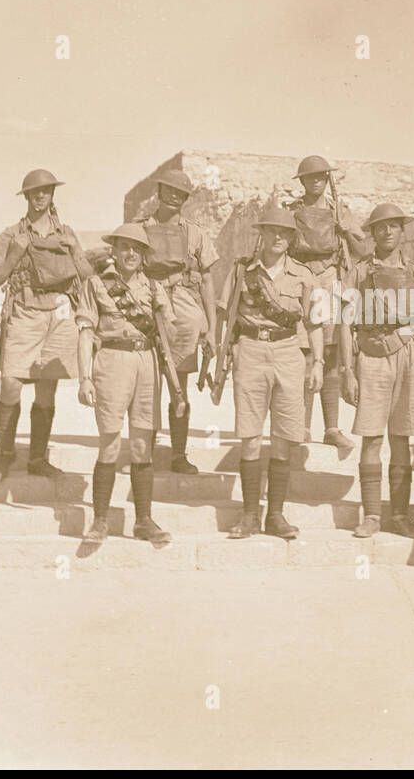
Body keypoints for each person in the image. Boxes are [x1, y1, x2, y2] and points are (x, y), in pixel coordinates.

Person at [339, 203, 414, 539]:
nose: (387, 232)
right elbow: (344, 324)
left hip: (407, 354)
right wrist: (347, 369)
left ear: (402, 231)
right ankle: (372, 515)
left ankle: (400, 515)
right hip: (371, 356)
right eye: (380, 227)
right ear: (372, 233)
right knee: (372, 436)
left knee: (401, 437)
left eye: (393, 226)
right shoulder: (358, 272)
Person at [217, 207, 324, 540]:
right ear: (261, 233)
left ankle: (275, 515)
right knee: (250, 436)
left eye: (285, 232)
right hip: (250, 351)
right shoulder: (241, 271)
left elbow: (316, 323)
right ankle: (249, 515)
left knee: (283, 437)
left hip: (289, 352)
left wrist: (318, 362)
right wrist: (224, 356)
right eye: (272, 231)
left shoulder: (306, 276)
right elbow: (227, 316)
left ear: (292, 238)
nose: (278, 237)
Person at [0, 169, 92, 483]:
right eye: (34, 192)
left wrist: (74, 249)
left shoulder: (67, 233)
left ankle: (37, 458)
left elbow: (87, 277)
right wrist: (13, 256)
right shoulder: (11, 234)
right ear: (27, 197)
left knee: (47, 390)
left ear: (52, 195)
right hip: (25, 311)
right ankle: (6, 453)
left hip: (59, 314)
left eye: (45, 191)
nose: (40, 197)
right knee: (11, 384)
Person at [74, 223, 177, 545]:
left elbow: (171, 334)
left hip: (147, 363)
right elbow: (86, 332)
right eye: (124, 247)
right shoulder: (97, 285)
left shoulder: (155, 287)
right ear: (114, 251)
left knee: (142, 444)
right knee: (110, 442)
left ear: (144, 255)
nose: (130, 254)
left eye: (137, 248)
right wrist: (85, 377)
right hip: (112, 362)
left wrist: (166, 317)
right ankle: (101, 520)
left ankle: (143, 520)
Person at [285, 155, 372, 454]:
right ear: (303, 181)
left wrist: (344, 227)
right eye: (310, 177)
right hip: (302, 277)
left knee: (332, 351)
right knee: (307, 350)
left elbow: (362, 249)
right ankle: (304, 424)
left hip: (331, 276)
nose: (316, 181)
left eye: (321, 176)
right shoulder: (293, 212)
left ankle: (332, 428)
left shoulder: (339, 210)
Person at [134, 168, 219, 475]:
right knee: (148, 381)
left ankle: (178, 455)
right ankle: (145, 453)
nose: (173, 196)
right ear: (159, 191)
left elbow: (207, 279)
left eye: (180, 193)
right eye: (168, 190)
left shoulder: (194, 233)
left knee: (177, 382)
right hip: (148, 298)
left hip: (183, 303)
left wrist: (210, 326)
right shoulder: (140, 229)